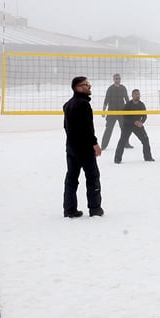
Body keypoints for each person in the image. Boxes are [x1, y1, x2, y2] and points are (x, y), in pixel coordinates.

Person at [62, 76, 103, 217]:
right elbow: (86, 128)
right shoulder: (83, 105)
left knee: (71, 179)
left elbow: (67, 127)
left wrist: (72, 144)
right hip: (84, 149)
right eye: (84, 84)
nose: (88, 86)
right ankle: (95, 209)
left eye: (88, 84)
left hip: (71, 148)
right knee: (92, 178)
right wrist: (94, 143)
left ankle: (69, 210)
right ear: (77, 88)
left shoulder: (68, 104)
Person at [114, 89, 154, 164]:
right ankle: (117, 159)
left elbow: (145, 116)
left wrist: (141, 122)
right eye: (136, 94)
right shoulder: (128, 104)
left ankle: (148, 158)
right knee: (122, 141)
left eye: (138, 94)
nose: (137, 95)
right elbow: (124, 115)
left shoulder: (141, 104)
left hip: (138, 125)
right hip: (127, 125)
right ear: (132, 95)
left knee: (145, 140)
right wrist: (133, 121)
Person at [100, 73, 133, 151]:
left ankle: (126, 144)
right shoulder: (110, 89)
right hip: (112, 112)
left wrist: (130, 111)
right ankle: (103, 146)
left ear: (120, 79)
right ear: (113, 79)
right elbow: (106, 101)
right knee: (108, 129)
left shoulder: (123, 88)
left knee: (124, 129)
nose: (117, 80)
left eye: (119, 78)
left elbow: (127, 99)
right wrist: (103, 111)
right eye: (116, 78)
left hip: (122, 112)